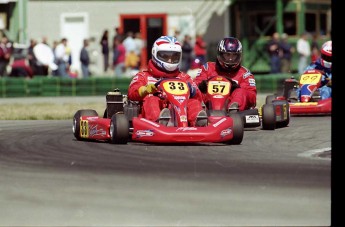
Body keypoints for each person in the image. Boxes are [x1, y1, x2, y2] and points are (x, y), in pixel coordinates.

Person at [127, 35, 207, 126]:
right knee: (152, 100)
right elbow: (132, 93)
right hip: (150, 120)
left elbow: (200, 98)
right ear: (155, 53)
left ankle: (198, 123)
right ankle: (158, 122)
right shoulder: (144, 76)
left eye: (174, 57)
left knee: (193, 102)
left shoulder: (184, 77)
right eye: (165, 56)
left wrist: (193, 91)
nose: (170, 60)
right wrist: (145, 90)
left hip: (181, 114)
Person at [194, 37, 257, 112]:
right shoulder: (207, 68)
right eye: (227, 55)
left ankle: (233, 109)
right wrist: (202, 85)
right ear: (220, 54)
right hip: (208, 106)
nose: (230, 59)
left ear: (239, 56)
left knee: (241, 91)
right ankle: (198, 112)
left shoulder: (245, 74)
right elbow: (194, 85)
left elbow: (252, 97)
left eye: (234, 56)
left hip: (232, 108)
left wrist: (236, 88)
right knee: (196, 91)